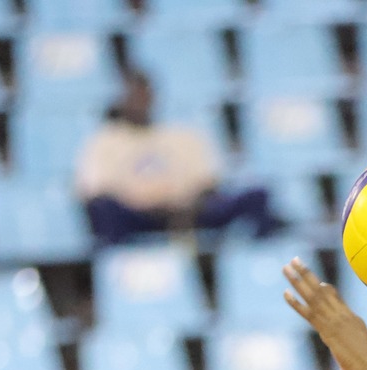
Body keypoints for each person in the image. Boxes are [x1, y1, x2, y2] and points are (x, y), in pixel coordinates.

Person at [76, 70, 283, 248]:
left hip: (189, 214)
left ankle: (261, 266)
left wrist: (186, 205)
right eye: (131, 95)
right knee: (105, 210)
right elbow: (96, 191)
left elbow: (207, 184)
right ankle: (120, 272)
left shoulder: (183, 136)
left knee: (257, 195)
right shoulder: (104, 141)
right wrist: (150, 205)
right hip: (137, 217)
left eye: (143, 93)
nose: (138, 101)